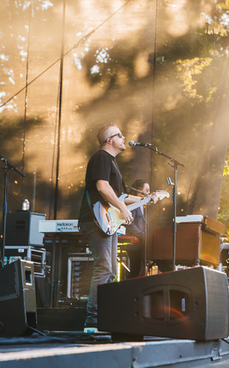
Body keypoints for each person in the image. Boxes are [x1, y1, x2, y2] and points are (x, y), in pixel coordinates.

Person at [78, 123, 155, 332]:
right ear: (109, 140)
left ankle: (104, 317)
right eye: (120, 135)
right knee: (104, 268)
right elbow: (102, 187)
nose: (124, 137)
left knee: (111, 270)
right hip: (96, 220)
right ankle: (93, 321)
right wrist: (122, 208)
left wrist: (147, 199)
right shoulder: (101, 158)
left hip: (106, 222)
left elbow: (119, 197)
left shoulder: (111, 162)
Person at [124, 179, 151, 278]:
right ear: (139, 191)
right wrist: (141, 235)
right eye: (147, 190)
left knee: (139, 271)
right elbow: (129, 223)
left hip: (140, 243)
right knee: (135, 271)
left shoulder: (141, 205)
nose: (149, 192)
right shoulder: (133, 204)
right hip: (134, 243)